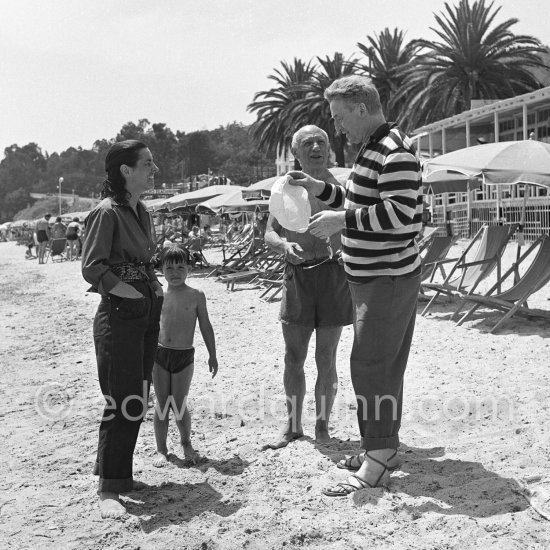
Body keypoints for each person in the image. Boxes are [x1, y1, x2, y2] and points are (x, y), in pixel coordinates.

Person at [288, 76, 422, 496]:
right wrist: (322, 191)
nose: (337, 126)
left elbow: (402, 216)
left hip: (387, 279)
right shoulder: (375, 148)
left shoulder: (394, 151)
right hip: (375, 279)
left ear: (361, 108)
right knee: (384, 367)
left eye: (339, 116)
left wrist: (340, 221)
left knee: (369, 366)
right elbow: (360, 198)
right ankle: (382, 448)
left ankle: (378, 459)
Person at [81, 140, 164, 519]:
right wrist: (130, 293)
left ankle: (117, 474)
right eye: (147, 164)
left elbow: (144, 258)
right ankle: (109, 491)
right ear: (125, 170)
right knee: (123, 399)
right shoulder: (106, 212)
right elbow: (93, 267)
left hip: (146, 313)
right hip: (119, 316)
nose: (154, 169)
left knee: (138, 396)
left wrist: (152, 290)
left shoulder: (141, 210)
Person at [262, 125, 352, 450]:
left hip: (332, 276)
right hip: (298, 277)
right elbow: (269, 233)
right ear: (295, 152)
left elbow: (353, 227)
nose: (316, 147)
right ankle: (292, 425)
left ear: (329, 148)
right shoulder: (284, 188)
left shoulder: (337, 187)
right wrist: (284, 245)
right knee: (293, 357)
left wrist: (346, 248)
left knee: (326, 357)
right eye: (308, 143)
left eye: (322, 142)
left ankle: (323, 426)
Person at [152, 245, 218, 467]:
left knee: (179, 403)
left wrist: (213, 355)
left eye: (181, 267)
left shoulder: (196, 295)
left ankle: (186, 442)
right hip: (159, 355)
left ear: (189, 268)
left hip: (184, 356)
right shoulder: (158, 293)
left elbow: (206, 327)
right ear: (161, 269)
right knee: (162, 404)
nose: (175, 273)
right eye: (169, 268)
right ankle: (161, 449)